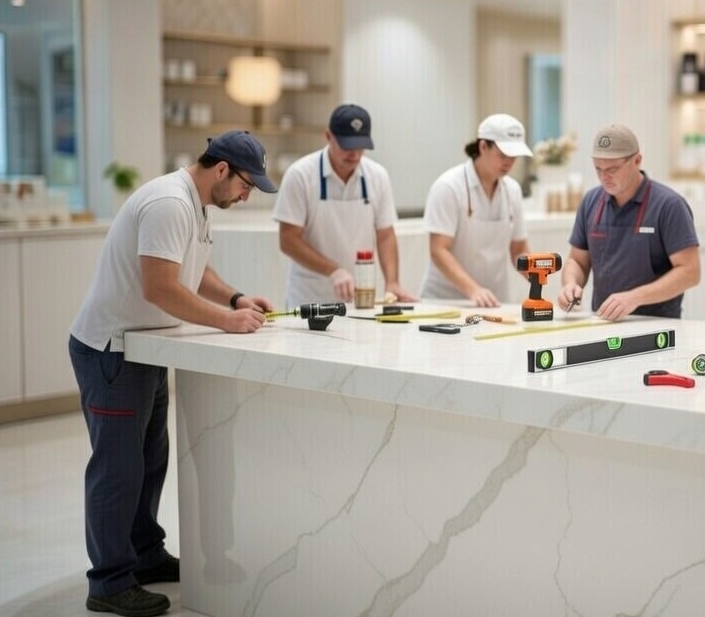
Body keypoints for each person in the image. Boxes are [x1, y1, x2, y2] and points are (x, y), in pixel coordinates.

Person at [68, 130, 278, 617]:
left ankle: (143, 554)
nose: (248, 196)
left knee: (149, 461)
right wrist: (226, 322)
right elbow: (160, 287)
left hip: (146, 346)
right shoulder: (169, 202)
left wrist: (235, 298)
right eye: (247, 185)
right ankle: (109, 581)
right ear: (222, 169)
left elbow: (193, 268)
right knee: (117, 470)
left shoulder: (198, 203)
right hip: (112, 350)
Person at [274, 104, 416, 307]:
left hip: (360, 298)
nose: (355, 155)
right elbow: (288, 240)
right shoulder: (300, 175)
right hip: (308, 298)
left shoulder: (378, 176)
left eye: (361, 147)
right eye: (347, 146)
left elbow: (385, 235)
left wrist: (392, 282)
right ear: (328, 136)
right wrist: (334, 270)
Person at [558, 124, 700, 320]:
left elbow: (690, 272)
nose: (603, 177)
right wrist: (570, 284)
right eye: (598, 168)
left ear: (637, 160)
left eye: (612, 169)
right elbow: (577, 261)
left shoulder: (669, 205)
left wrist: (635, 298)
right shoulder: (591, 202)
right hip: (603, 324)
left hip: (658, 328)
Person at [420, 113, 532, 306]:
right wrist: (474, 290)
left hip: (494, 302)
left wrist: (537, 278)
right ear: (482, 147)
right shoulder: (448, 187)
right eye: (503, 154)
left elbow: (519, 249)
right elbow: (439, 250)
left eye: (514, 156)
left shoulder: (512, 190)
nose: (509, 162)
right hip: (445, 302)